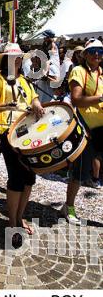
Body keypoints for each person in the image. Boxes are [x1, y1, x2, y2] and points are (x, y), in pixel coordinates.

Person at [0, 43, 44, 247]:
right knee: (17, 176)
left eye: (19, 58)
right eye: (13, 58)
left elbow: (34, 99)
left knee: (30, 177)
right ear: (6, 61)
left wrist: (37, 105)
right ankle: (12, 223)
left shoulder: (25, 81)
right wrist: (7, 106)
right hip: (7, 133)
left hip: (27, 133)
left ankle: (19, 217)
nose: (17, 61)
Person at [61, 38, 103, 223]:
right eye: (92, 51)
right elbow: (76, 99)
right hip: (85, 128)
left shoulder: (102, 73)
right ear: (85, 54)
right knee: (79, 171)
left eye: (100, 52)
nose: (96, 54)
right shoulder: (78, 71)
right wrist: (100, 98)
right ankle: (68, 207)